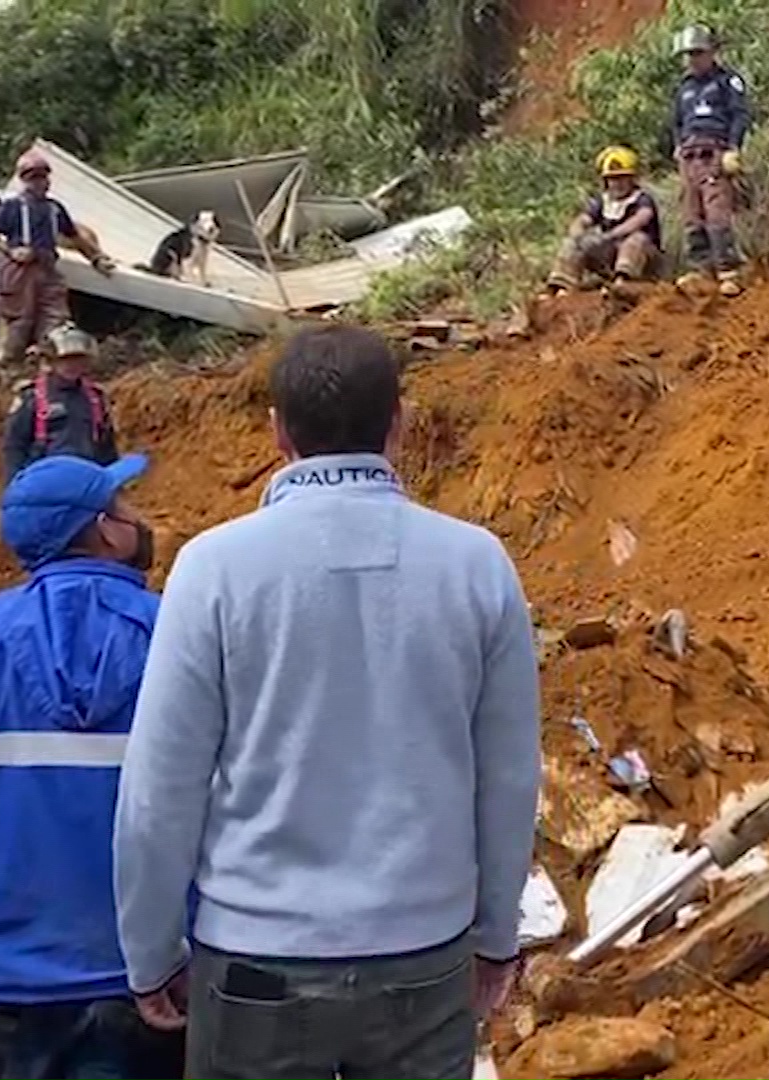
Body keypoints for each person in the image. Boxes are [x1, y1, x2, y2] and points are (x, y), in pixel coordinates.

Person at [114, 326, 542, 1080]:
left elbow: (160, 789)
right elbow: (508, 775)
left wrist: (151, 952)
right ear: (400, 423)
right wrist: (496, 935)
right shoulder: (477, 565)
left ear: (276, 429)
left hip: (254, 964)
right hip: (424, 954)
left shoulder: (214, 568)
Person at [0, 453, 184, 1080]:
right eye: (125, 507)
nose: (139, 518)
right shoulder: (182, 636)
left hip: (19, 967)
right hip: (154, 965)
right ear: (106, 529)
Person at [0, 148, 116, 365]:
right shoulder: (12, 207)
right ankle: (6, 371)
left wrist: (96, 258)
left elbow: (76, 237)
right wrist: (11, 251)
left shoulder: (54, 209)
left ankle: (44, 367)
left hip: (48, 268)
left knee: (55, 322)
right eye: (33, 178)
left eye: (42, 177)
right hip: (21, 272)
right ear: (24, 180)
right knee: (17, 324)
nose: (39, 182)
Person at [667, 24, 752, 297]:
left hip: (715, 151)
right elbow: (677, 121)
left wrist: (734, 147)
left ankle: (729, 270)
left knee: (717, 211)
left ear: (711, 52)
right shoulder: (684, 88)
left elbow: (740, 115)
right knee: (692, 214)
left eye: (698, 53)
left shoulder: (727, 80)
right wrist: (678, 146)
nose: (693, 59)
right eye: (688, 54)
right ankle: (700, 269)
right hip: (689, 155)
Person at [3, 324, 121, 485]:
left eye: (78, 359)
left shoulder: (95, 397)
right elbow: (14, 445)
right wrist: (14, 484)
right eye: (65, 360)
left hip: (86, 479)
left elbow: (106, 447)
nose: (72, 365)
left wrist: (111, 484)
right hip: (44, 482)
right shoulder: (32, 397)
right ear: (51, 361)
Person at [544, 146, 664, 295]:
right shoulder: (602, 201)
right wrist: (579, 235)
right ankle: (562, 286)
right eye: (612, 178)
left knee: (637, 239)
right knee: (572, 243)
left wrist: (611, 235)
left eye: (622, 177)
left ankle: (624, 281)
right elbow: (583, 219)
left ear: (632, 178)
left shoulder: (642, 199)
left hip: (643, 259)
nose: (617, 183)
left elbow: (641, 218)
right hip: (610, 256)